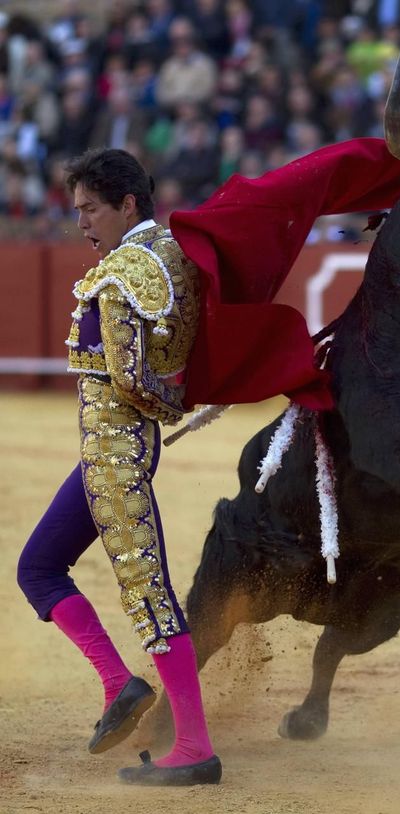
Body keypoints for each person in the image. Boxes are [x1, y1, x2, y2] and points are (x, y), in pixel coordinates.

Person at [16, 147, 221, 786]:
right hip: (113, 451)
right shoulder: (171, 253)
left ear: (126, 202)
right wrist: (174, 397)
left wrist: (169, 403)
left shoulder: (124, 269)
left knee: (148, 592)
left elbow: (131, 377)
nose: (81, 223)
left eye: (90, 209)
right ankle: (119, 685)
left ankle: (194, 746)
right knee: (39, 566)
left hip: (115, 455)